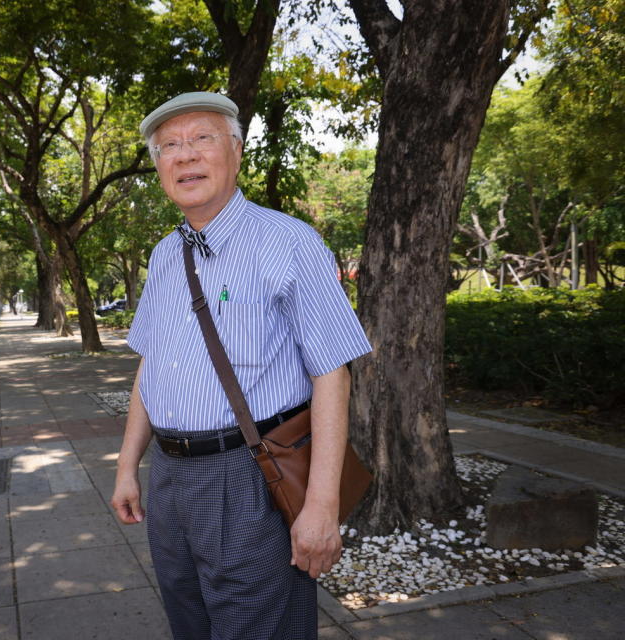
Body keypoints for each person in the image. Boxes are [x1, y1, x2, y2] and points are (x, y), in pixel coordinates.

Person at [110, 92, 373, 640]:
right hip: (170, 478)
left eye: (202, 139)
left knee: (261, 628)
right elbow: (151, 369)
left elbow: (332, 373)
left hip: (249, 474)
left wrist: (321, 506)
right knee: (191, 625)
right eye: (169, 147)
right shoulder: (164, 256)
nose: (185, 156)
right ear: (159, 167)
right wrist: (127, 465)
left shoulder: (288, 241)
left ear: (235, 150)